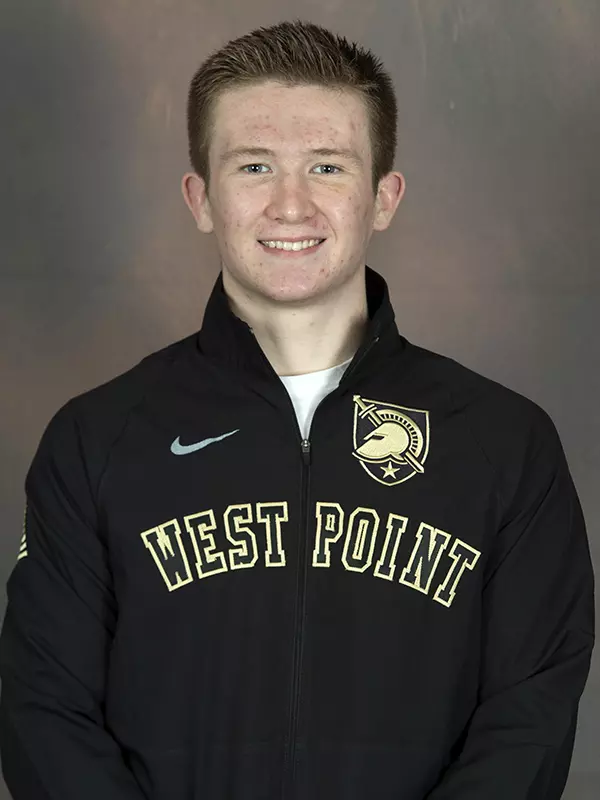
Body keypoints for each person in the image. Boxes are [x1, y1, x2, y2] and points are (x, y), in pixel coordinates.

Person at [0, 18, 594, 800]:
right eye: (253, 165)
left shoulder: (505, 444)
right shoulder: (96, 440)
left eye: (327, 166)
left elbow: (530, 717)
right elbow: (44, 712)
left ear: (383, 196)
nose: (290, 204)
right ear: (200, 196)